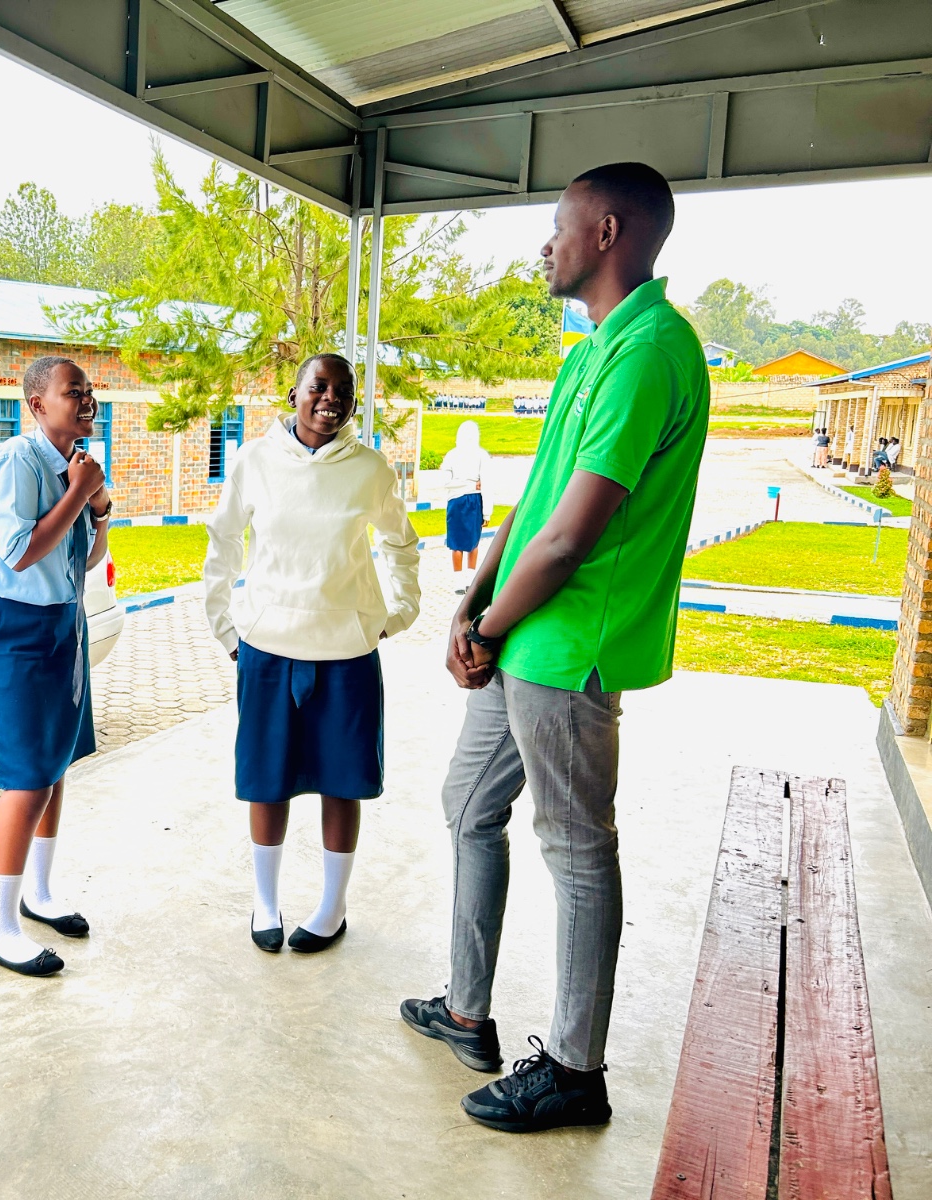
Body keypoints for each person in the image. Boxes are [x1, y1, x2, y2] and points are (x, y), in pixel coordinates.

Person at [401, 161, 709, 1134]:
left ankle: (576, 1070)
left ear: (607, 232)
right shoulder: (591, 351)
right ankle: (466, 1011)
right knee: (468, 806)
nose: (545, 246)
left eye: (559, 226)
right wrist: (470, 605)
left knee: (576, 849)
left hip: (569, 647)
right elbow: (531, 503)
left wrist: (486, 629)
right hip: (519, 635)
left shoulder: (649, 353)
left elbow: (572, 537)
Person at [204, 353, 420, 953]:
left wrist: (398, 614)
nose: (331, 399)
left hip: (346, 653)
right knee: (266, 780)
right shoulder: (254, 460)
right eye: (318, 387)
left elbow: (401, 544)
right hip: (268, 649)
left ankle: (331, 907)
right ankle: (265, 901)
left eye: (343, 390)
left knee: (341, 781)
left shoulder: (370, 469)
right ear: (294, 394)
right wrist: (227, 628)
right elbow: (222, 541)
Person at [0, 356, 112, 976]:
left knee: (55, 765)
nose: (86, 401)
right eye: (72, 392)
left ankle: (40, 892)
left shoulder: (73, 464)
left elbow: (84, 559)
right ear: (37, 404)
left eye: (89, 391)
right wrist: (79, 493)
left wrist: (97, 508)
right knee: (27, 777)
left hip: (61, 621)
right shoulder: (17, 463)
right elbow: (20, 553)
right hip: (14, 627)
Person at [441, 419, 491, 590]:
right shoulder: (482, 455)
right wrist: (487, 512)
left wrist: (461, 484)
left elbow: (446, 481)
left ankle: (459, 582)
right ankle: (469, 581)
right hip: (474, 500)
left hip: (455, 501)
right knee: (473, 542)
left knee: (456, 543)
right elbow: (487, 484)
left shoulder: (451, 455)